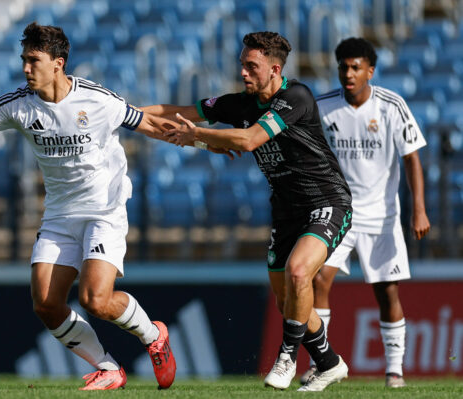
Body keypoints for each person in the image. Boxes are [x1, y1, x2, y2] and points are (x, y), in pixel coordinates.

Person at [0, 22, 176, 391]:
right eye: (23, 60)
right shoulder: (20, 105)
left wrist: (205, 142)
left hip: (103, 211)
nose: (26, 68)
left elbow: (150, 125)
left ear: (58, 63)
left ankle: (153, 335)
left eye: (34, 60)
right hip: (60, 214)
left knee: (95, 298)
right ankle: (109, 368)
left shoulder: (97, 100)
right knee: (45, 303)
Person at [143, 31, 352, 391]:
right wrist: (121, 114)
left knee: (299, 273)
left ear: (274, 68)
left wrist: (202, 137)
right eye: (241, 65)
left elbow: (250, 139)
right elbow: (178, 113)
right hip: (286, 211)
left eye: (251, 66)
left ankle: (286, 359)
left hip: (327, 202)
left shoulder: (296, 97)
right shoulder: (237, 104)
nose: (243, 72)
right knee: (288, 298)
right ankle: (330, 363)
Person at [299, 37, 430, 388]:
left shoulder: (391, 105)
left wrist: (418, 209)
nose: (349, 73)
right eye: (343, 67)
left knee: (387, 292)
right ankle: (323, 362)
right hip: (337, 213)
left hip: (381, 215)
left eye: (356, 67)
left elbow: (412, 158)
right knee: (318, 280)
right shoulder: (322, 106)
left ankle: (394, 370)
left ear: (370, 70)